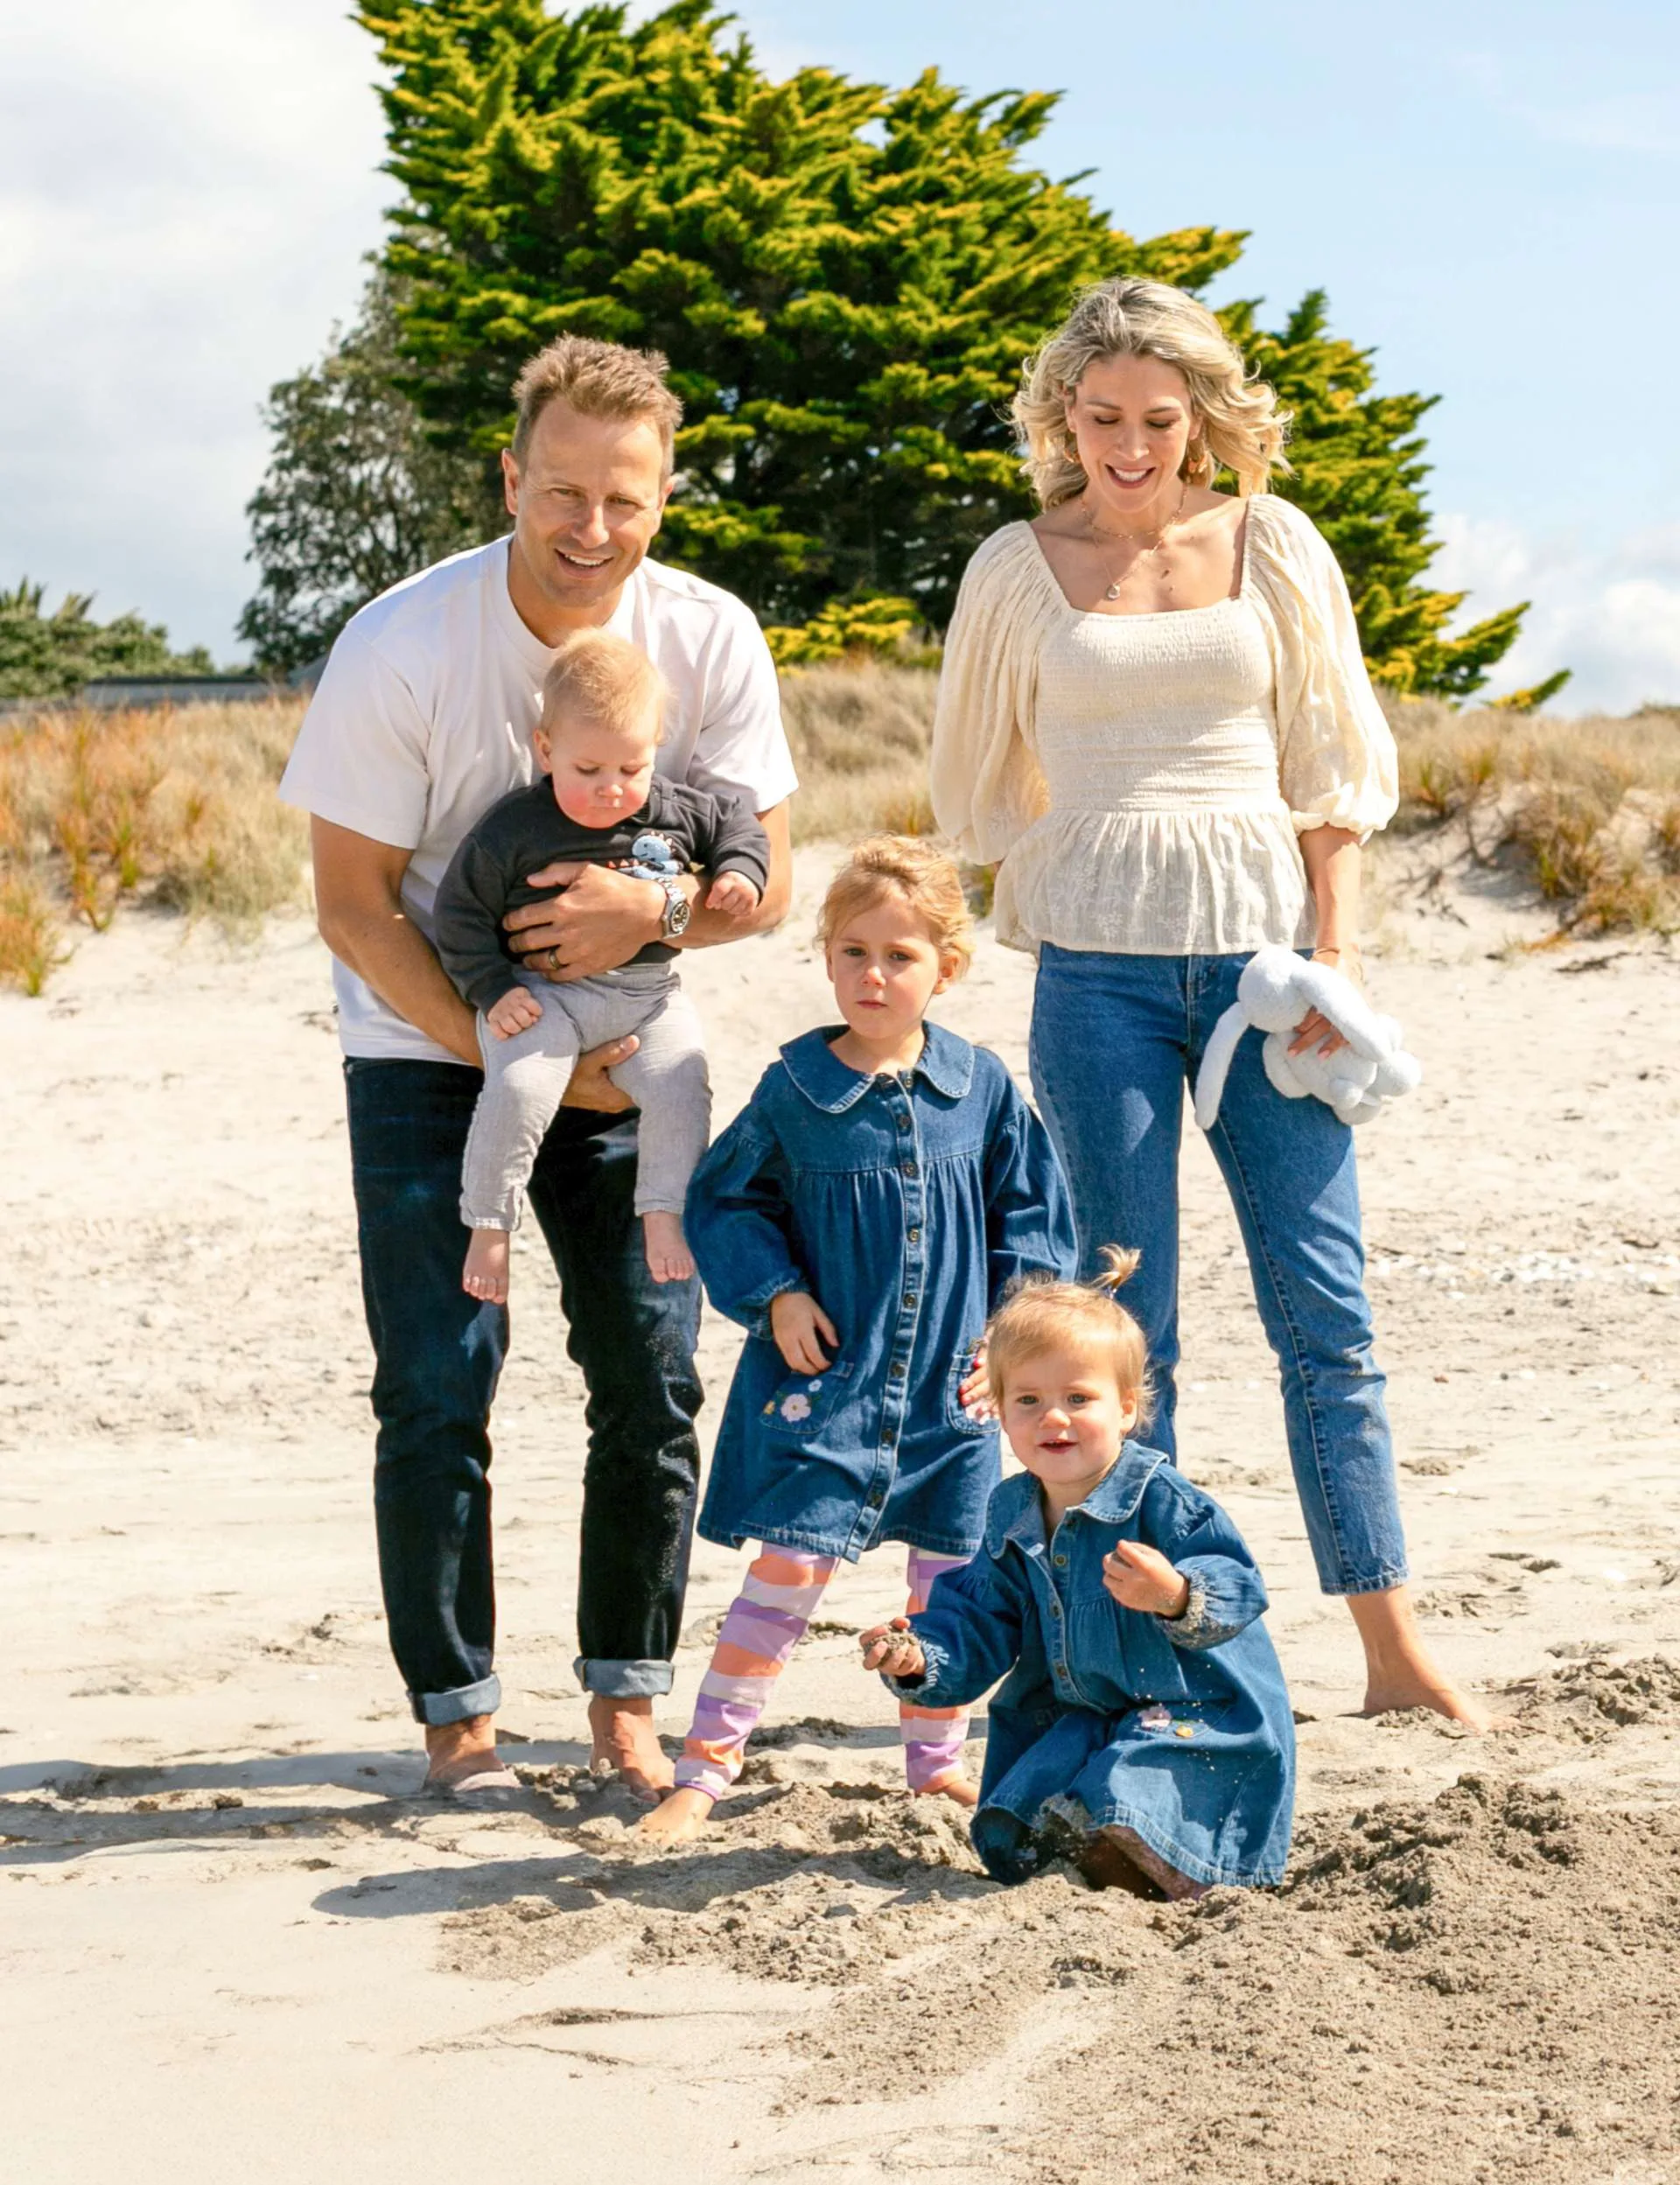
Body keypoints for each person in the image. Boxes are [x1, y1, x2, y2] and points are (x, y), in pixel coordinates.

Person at [930, 275, 1487, 1729]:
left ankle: (1390, 1649)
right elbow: (978, 788)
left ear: (1202, 419)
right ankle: (1134, 1656)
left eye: (1159, 420)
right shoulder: (1014, 566)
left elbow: (1331, 768)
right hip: (1097, 982)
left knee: (1329, 1312)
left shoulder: (1274, 543)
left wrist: (1337, 960)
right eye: (1101, 417)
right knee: (1126, 1330)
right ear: (1062, 416)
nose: (1130, 446)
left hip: (1266, 982)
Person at [278, 335, 796, 1799]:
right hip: (429, 1045)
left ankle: (626, 1701)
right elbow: (352, 901)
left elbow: (773, 873)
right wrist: (508, 1050)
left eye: (624, 501)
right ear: (512, 476)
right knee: (439, 1385)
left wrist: (665, 914)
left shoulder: (707, 637)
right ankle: (460, 1717)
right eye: (561, 491)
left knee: (652, 1371)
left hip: (630, 1046)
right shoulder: (404, 642)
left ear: (665, 497)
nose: (590, 530)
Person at [637, 837, 1076, 1846]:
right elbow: (725, 1199)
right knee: (785, 1581)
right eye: (853, 952)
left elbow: (1034, 1222)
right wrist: (777, 1294)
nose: (874, 975)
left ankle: (935, 1766)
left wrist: (1010, 1345)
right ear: (827, 959)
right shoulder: (798, 1089)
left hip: (952, 1395)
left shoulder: (982, 1088)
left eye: (900, 956)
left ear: (946, 968)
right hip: (827, 1390)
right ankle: (705, 1769)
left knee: (947, 1590)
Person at [861, 1250, 1295, 1895]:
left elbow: (1239, 1583)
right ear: (1001, 1411)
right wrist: (920, 1657)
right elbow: (978, 1619)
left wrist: (1175, 1595)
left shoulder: (1161, 1499)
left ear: (1126, 1408)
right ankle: (1093, 1857)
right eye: (1028, 1399)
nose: (1053, 1417)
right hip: (1084, 1712)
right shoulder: (1010, 1510)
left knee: (1136, 1776)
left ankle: (1160, 1867)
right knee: (1028, 1814)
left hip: (1195, 1708)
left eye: (1077, 1398)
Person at [434, 628, 770, 1299]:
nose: (613, 789)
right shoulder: (513, 829)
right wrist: (491, 988)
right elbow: (458, 913)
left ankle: (664, 1213)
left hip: (650, 996)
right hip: (544, 996)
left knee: (683, 1084)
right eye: (588, 771)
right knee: (521, 1087)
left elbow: (739, 824)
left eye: (631, 768)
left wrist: (738, 872)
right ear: (547, 748)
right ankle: (491, 1222)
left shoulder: (671, 807)